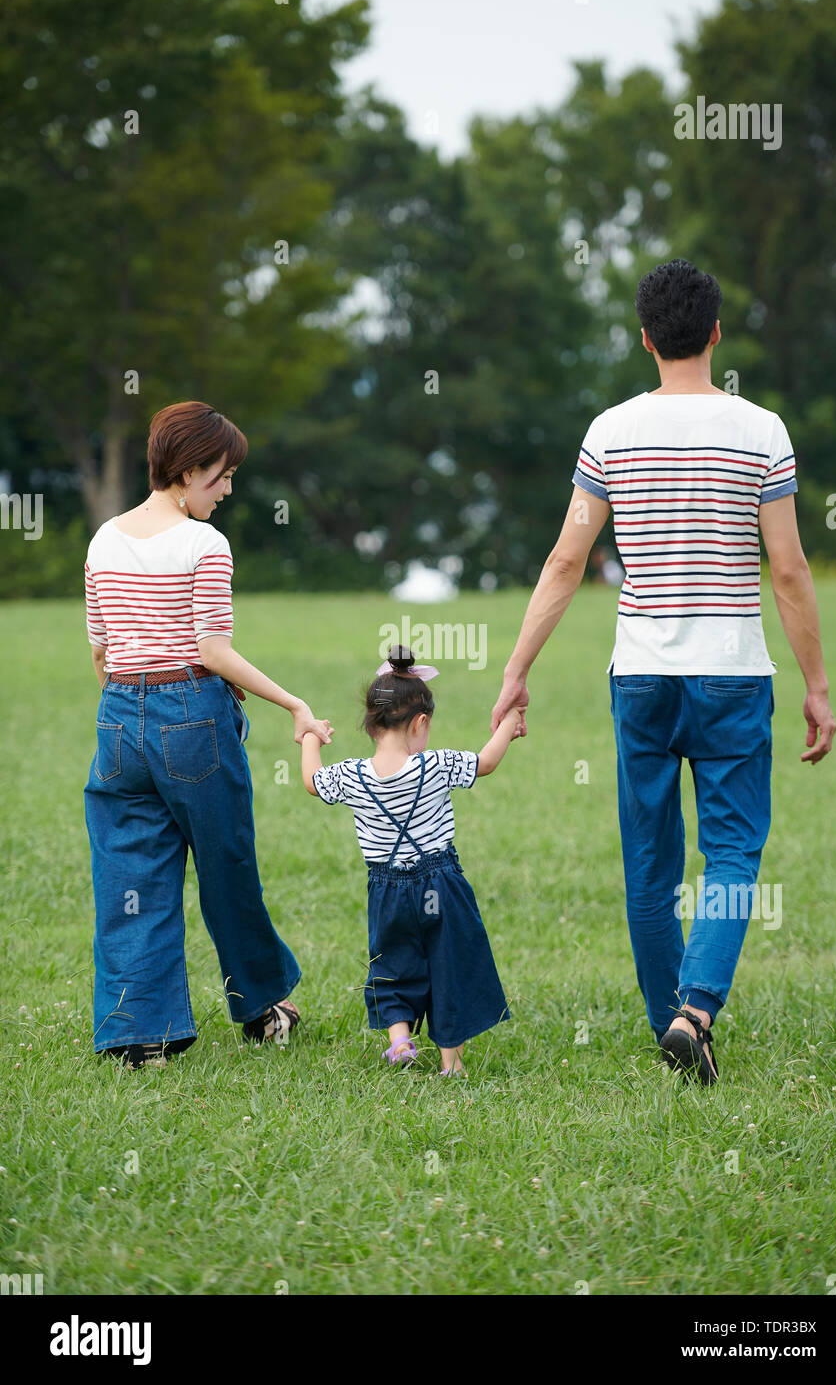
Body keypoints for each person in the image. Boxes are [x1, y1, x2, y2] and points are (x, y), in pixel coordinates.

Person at [491, 259, 836, 1085]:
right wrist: (818, 686)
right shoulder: (763, 431)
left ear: (644, 339)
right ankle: (696, 1011)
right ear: (716, 333)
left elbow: (568, 560)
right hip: (733, 676)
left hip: (640, 675)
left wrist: (515, 670)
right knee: (731, 854)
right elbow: (786, 570)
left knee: (649, 865)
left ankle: (673, 1031)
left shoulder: (609, 433)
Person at [83, 400, 333, 1069]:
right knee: (226, 865)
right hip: (192, 716)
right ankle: (260, 1010)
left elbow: (102, 651)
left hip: (118, 719)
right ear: (191, 470)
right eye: (222, 475)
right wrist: (292, 703)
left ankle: (139, 1037)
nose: (227, 489)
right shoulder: (204, 544)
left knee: (130, 873)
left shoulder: (103, 539)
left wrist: (130, 708)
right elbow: (212, 649)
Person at [301, 645, 519, 1075]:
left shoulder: (351, 775)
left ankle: (400, 1043)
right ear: (420, 723)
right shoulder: (435, 766)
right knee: (448, 964)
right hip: (440, 883)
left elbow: (311, 782)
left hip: (386, 889)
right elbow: (487, 761)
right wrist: (510, 721)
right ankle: (450, 1064)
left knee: (391, 962)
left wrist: (310, 735)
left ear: (371, 724)